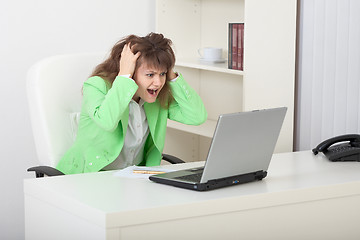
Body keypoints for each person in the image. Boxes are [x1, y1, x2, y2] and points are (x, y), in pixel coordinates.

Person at [56, 32, 207, 174]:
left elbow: (197, 116)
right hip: (88, 177)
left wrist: (172, 75)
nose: (158, 82)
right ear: (130, 71)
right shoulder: (96, 86)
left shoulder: (156, 99)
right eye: (150, 74)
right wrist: (124, 75)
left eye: (162, 74)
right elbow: (107, 122)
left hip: (134, 180)